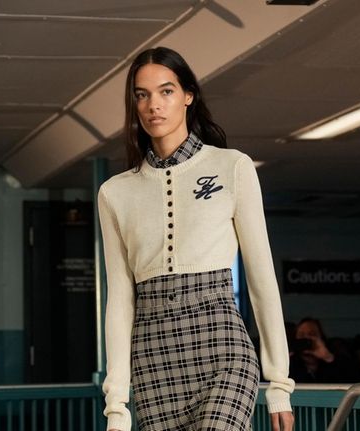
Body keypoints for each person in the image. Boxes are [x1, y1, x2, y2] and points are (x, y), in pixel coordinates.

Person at [97, 47, 294, 431]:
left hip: (222, 342)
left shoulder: (232, 166)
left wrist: (279, 385)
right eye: (142, 94)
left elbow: (261, 279)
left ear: (188, 95)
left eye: (166, 91)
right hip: (153, 355)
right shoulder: (114, 193)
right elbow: (120, 300)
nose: (154, 104)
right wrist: (117, 405)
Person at [290, 317, 360, 383]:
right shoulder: (290, 363)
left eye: (312, 334)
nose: (306, 338)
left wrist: (327, 357)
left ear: (321, 338)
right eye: (301, 335)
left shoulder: (337, 360)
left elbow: (352, 379)